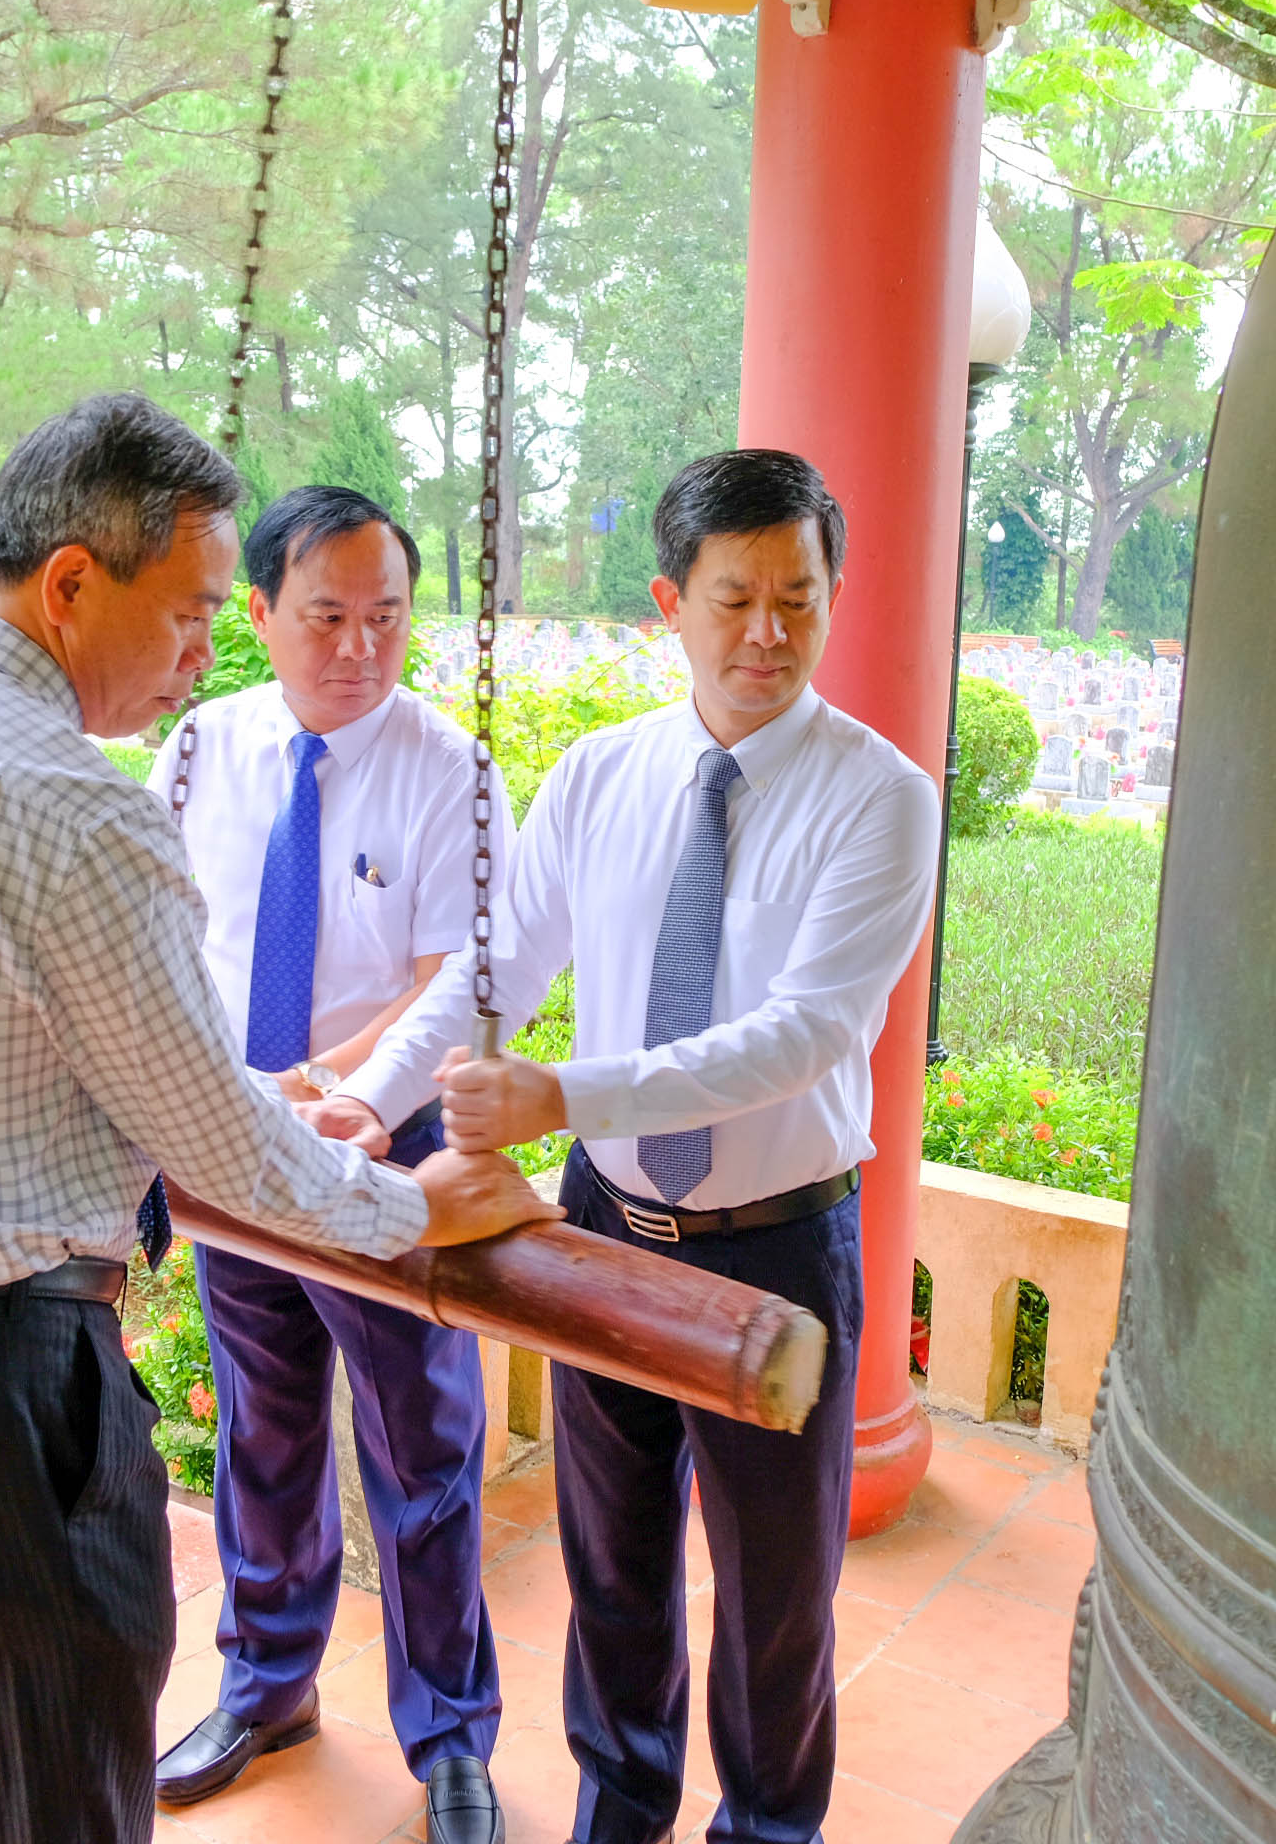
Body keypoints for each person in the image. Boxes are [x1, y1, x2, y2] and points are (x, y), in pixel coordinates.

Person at [0, 392, 556, 1844]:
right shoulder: (72, 799)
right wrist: (421, 1207)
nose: (200, 649)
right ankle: (269, 1677)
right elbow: (215, 1144)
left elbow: (36, 1029)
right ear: (67, 586)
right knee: (30, 1797)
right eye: (186, 611)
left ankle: (444, 1731)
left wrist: (316, 1104)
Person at [308, 449, 939, 1844]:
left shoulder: (879, 798)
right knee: (614, 1558)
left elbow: (808, 1032)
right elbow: (496, 964)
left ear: (833, 598)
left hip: (777, 1243)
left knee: (777, 1588)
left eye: (799, 596)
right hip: (599, 1222)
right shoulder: (600, 777)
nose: (768, 632)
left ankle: (769, 1826)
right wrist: (376, 1093)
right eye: (735, 599)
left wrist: (562, 1098)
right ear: (672, 601)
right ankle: (624, 1799)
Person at [144, 486, 503, 1844]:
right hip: (235, 1147)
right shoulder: (196, 749)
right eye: (327, 616)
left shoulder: (450, 770)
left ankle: (452, 1739)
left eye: (387, 616)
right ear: (260, 614)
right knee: (265, 1428)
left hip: (381, 1155)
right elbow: (159, 942)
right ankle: (266, 1683)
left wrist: (343, 1093)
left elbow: (457, 981)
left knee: (423, 1451)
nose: (360, 645)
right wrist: (245, 1095)